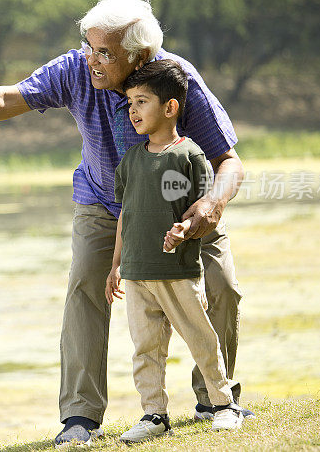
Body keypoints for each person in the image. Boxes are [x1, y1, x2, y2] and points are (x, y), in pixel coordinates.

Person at [0, 0, 249, 448]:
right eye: (89, 46)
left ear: (140, 56)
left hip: (182, 208)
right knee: (85, 287)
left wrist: (211, 205)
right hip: (103, 201)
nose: (92, 59)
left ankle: (214, 401)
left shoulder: (176, 83)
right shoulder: (75, 70)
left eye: (105, 51)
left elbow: (228, 161)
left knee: (221, 285)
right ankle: (80, 417)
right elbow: (9, 98)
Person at [105, 59, 245, 444]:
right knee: (145, 347)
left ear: (170, 108)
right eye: (130, 102)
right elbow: (125, 216)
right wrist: (115, 264)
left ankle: (223, 404)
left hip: (178, 272)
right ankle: (154, 414)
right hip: (136, 274)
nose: (132, 110)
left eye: (142, 101)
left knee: (201, 339)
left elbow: (200, 211)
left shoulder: (190, 156)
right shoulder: (131, 161)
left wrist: (183, 231)